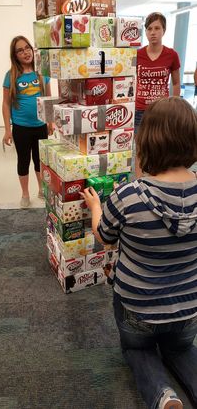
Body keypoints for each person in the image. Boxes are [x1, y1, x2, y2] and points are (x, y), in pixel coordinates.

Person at [81, 97, 197, 409]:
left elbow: (104, 236)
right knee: (181, 349)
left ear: (145, 141)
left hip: (138, 306)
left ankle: (163, 396)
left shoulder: (128, 196)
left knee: (138, 351)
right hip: (188, 307)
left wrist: (96, 207)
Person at [2, 35, 51, 208]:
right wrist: (7, 130)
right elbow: (6, 104)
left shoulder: (42, 72)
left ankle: (41, 189)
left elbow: (47, 98)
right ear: (15, 55)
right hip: (21, 128)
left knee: (40, 161)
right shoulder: (11, 75)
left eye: (27, 48)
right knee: (23, 161)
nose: (25, 52)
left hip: (41, 125)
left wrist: (50, 121)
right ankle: (25, 194)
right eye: (20, 50)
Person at [135, 12, 181, 177]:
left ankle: (157, 183)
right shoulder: (137, 55)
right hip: (139, 110)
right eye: (149, 29)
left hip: (161, 111)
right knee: (140, 149)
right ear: (145, 32)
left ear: (164, 30)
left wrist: (174, 107)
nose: (153, 32)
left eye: (157, 28)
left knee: (159, 146)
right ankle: (139, 182)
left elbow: (176, 83)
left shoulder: (171, 55)